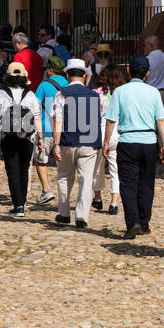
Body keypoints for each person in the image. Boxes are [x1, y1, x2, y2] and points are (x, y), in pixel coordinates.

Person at [103, 54, 164, 239]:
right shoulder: (154, 92)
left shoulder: (120, 92)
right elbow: (161, 120)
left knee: (128, 184)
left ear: (129, 71)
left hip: (128, 142)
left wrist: (106, 142)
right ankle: (144, 224)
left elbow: (111, 120)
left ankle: (133, 222)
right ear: (147, 73)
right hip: (149, 142)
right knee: (146, 184)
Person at [50, 58, 102, 228]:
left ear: (67, 75)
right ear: (84, 75)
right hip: (89, 142)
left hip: (67, 141)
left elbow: (57, 120)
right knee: (86, 179)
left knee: (64, 177)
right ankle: (82, 216)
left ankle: (64, 213)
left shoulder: (61, 94)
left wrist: (56, 143)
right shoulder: (94, 96)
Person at [0, 61, 42, 218]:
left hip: (9, 137)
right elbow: (37, 118)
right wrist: (40, 138)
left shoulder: (2, 94)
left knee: (12, 171)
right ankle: (23, 203)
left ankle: (17, 205)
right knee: (24, 169)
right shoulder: (30, 95)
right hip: (27, 137)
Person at [90, 65, 126, 216]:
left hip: (98, 132)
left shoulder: (95, 93)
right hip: (116, 132)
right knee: (115, 169)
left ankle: (98, 198)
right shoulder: (122, 93)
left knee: (96, 167)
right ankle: (114, 203)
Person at [32, 57, 68, 207]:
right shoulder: (69, 84)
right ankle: (64, 194)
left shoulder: (44, 85)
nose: (45, 71)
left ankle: (46, 190)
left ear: (51, 70)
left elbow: (35, 106)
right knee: (63, 165)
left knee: (41, 161)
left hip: (46, 129)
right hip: (64, 130)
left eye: (47, 68)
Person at [143, 34, 164, 118]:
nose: (143, 48)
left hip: (150, 93)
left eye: (144, 46)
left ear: (152, 46)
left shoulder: (147, 60)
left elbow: (143, 78)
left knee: (150, 118)